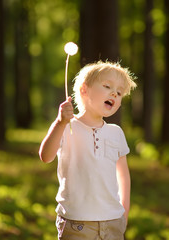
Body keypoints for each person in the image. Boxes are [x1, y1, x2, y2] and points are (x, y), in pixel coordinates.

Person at [39, 60, 137, 239]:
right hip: (77, 222)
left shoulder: (116, 133)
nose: (114, 93)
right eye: (107, 86)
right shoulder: (67, 126)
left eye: (119, 92)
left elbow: (123, 175)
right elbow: (45, 156)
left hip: (113, 220)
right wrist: (60, 122)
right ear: (84, 90)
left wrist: (125, 212)